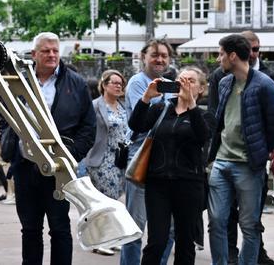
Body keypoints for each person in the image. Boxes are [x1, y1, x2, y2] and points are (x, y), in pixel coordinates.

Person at [6, 33, 96, 265]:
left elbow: (88, 127)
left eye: (55, 50)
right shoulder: (19, 80)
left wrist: (69, 156)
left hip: (59, 169)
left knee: (59, 228)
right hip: (25, 167)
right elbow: (3, 113)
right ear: (34, 54)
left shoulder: (75, 83)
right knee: (30, 229)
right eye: (46, 51)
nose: (52, 55)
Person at [208, 34, 274, 265]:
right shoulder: (224, 82)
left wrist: (264, 151)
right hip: (221, 161)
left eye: (221, 54)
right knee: (216, 221)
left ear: (233, 55)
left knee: (250, 225)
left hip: (249, 165)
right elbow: (219, 119)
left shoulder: (264, 84)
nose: (218, 59)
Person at [130, 68, 212, 265]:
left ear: (201, 88)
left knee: (185, 242)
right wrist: (146, 98)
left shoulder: (206, 116)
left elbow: (202, 136)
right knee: (156, 241)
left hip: (189, 184)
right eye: (180, 80)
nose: (184, 84)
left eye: (190, 81)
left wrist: (191, 106)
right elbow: (136, 125)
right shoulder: (161, 109)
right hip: (157, 183)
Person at [121, 39, 173, 265]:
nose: (159, 59)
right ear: (144, 57)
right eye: (155, 55)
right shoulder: (137, 82)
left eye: (164, 55)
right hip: (142, 156)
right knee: (135, 226)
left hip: (167, 159)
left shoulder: (171, 83)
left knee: (168, 228)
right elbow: (146, 120)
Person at [82, 70, 130, 203]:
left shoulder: (123, 106)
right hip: (102, 160)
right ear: (104, 85)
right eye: (115, 83)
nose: (119, 86)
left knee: (116, 198)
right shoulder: (95, 105)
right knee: (108, 200)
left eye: (121, 84)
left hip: (121, 160)